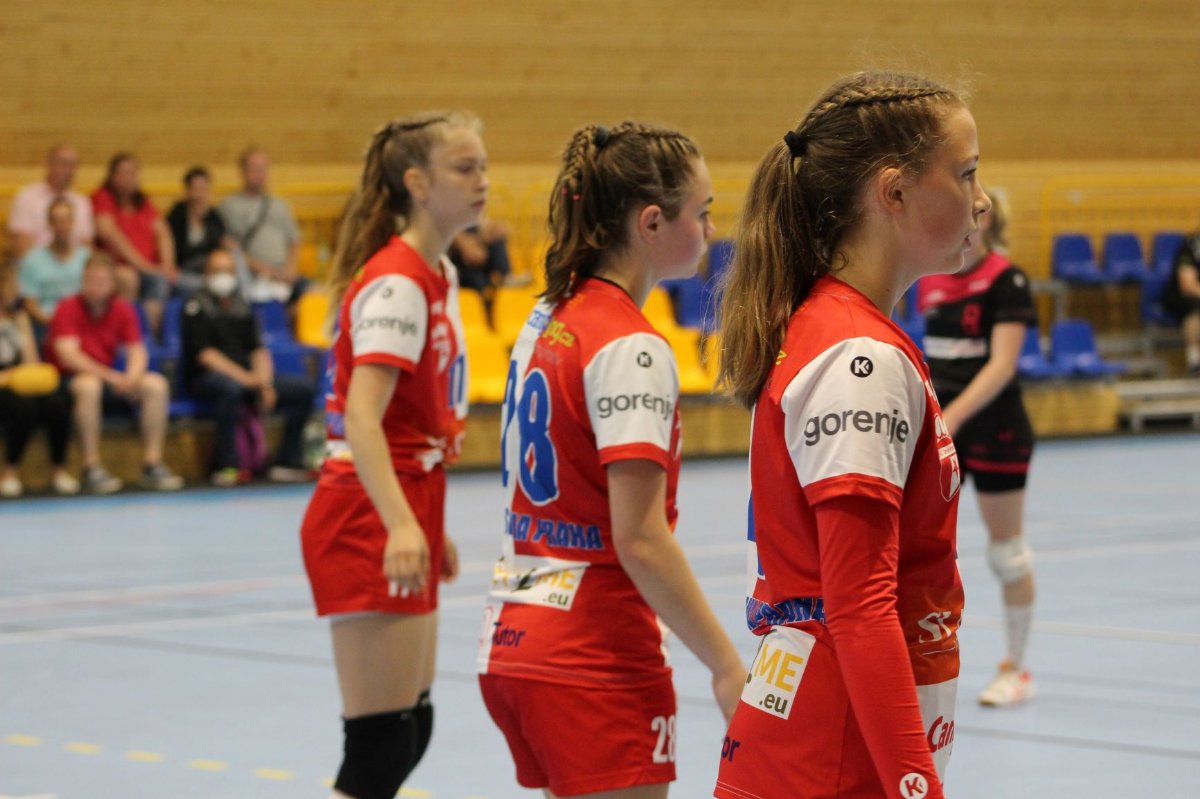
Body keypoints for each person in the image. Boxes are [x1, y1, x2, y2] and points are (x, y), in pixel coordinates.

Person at [713, 71, 989, 799]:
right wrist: (915, 785)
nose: (982, 201)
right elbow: (859, 605)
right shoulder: (857, 357)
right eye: (965, 173)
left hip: (823, 734)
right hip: (834, 751)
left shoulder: (833, 328)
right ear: (894, 192)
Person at [478, 122, 746, 799]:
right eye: (702, 211)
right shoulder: (632, 346)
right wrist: (725, 665)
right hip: (594, 651)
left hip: (515, 634)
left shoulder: (547, 315)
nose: (711, 229)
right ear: (651, 222)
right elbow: (641, 538)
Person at [299, 111, 481, 799]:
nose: (482, 180)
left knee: (411, 728)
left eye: (483, 166)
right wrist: (403, 523)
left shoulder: (438, 272)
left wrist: (426, 522)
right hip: (363, 512)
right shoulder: (399, 282)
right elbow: (362, 419)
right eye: (464, 168)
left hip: (405, 492)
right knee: (377, 750)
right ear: (417, 183)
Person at [917, 188, 1038, 707]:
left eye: (975, 209)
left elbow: (1002, 365)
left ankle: (1016, 669)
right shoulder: (930, 280)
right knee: (921, 547)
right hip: (943, 426)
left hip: (994, 426)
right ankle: (915, 657)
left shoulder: (1008, 280)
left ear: (987, 220)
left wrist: (953, 417)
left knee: (1007, 553)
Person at [45, 253, 184, 494]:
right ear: (82, 281)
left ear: (112, 284)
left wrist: (132, 377)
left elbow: (137, 350)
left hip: (110, 378)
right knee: (89, 385)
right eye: (90, 280)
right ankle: (90, 466)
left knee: (156, 384)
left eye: (101, 281)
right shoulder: (67, 307)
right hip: (69, 380)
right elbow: (69, 356)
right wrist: (111, 377)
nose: (95, 286)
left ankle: (152, 464)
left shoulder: (122, 309)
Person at [181, 248, 315, 486]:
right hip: (208, 378)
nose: (223, 276)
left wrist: (264, 383)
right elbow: (206, 355)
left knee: (303, 390)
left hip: (249, 377)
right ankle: (227, 465)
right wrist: (247, 379)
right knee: (230, 390)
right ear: (206, 274)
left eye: (228, 271)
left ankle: (286, 460)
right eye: (217, 271)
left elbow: (258, 350)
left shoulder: (242, 306)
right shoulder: (194, 307)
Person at [0, 268, 77, 497]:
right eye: (10, 289)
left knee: (57, 403)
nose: (14, 294)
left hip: (21, 379)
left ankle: (58, 470)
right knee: (23, 408)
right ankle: (10, 472)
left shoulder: (20, 317)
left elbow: (31, 360)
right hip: (3, 384)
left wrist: (24, 374)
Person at [91, 152, 178, 332]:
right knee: (153, 281)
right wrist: (144, 265)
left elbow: (163, 232)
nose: (129, 178)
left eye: (133, 173)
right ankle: (147, 336)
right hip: (121, 267)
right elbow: (110, 234)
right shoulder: (103, 198)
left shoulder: (143, 201)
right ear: (112, 176)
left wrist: (168, 265)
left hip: (152, 269)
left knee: (194, 285)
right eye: (124, 173)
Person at [219, 147, 307, 304]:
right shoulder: (229, 206)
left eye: (263, 169)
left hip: (283, 272)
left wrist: (290, 269)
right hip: (250, 276)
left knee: (317, 293)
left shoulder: (279, 204)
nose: (259, 174)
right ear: (242, 172)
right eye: (254, 169)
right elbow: (229, 246)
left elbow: (294, 241)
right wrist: (262, 269)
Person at [6, 144, 94, 259]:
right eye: (63, 163)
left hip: (73, 266)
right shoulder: (27, 198)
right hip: (35, 266)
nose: (68, 170)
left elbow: (86, 246)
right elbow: (21, 246)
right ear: (49, 164)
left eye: (73, 165)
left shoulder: (82, 202)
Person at [18, 198, 91, 335]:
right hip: (46, 325)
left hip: (82, 325)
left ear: (73, 222)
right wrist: (56, 323)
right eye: (56, 221)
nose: (61, 226)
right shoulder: (32, 260)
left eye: (65, 220)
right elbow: (29, 303)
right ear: (49, 224)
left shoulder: (86, 258)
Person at [167, 166, 231, 295]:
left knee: (233, 254)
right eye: (195, 188)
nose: (200, 194)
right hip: (185, 270)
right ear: (187, 191)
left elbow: (221, 245)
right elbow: (169, 244)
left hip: (209, 269)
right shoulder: (177, 215)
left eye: (204, 188)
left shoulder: (214, 217)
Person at [447, 219, 513, 307]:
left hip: (475, 247)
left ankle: (502, 277)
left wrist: (484, 237)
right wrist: (467, 246)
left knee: (498, 239)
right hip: (458, 261)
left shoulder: (473, 218)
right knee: (478, 280)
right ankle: (496, 283)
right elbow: (448, 232)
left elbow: (482, 227)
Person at [1162, 229, 1200, 375]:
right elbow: (1188, 285)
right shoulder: (1192, 244)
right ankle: (1194, 360)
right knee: (1194, 306)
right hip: (1181, 297)